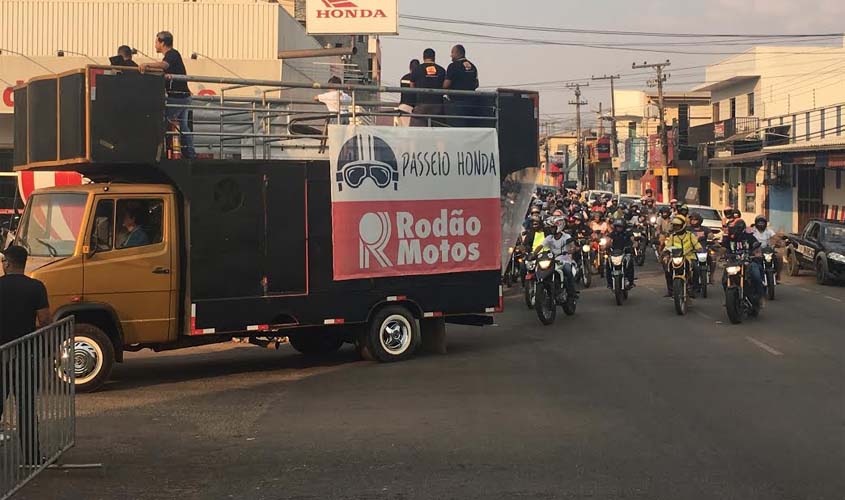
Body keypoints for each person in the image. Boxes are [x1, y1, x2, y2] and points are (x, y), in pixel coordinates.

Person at [0, 245, 49, 465]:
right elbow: (45, 319)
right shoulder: (36, 287)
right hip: (26, 354)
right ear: (24, 263)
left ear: (7, 263)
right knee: (26, 408)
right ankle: (31, 457)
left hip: (1, 355)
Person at [139, 31, 196, 158]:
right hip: (182, 96)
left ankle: (156, 152)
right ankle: (190, 154)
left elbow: (164, 65)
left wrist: (147, 65)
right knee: (184, 126)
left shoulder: (172, 54)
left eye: (156, 42)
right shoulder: (173, 55)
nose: (155, 45)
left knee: (161, 121)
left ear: (162, 42)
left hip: (178, 97)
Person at [535, 220, 578, 301]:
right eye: (551, 228)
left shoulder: (566, 237)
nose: (551, 229)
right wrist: (533, 254)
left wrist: (571, 249)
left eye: (553, 227)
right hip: (553, 259)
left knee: (567, 270)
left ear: (559, 227)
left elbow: (572, 246)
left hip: (565, 260)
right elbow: (540, 246)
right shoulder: (549, 238)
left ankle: (572, 292)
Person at [663, 215, 702, 297]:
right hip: (675, 258)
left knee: (696, 269)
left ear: (683, 225)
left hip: (690, 257)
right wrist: (665, 253)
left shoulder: (690, 235)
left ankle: (693, 288)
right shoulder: (672, 237)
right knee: (667, 270)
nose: (676, 227)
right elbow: (667, 247)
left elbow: (697, 246)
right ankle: (670, 290)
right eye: (675, 225)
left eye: (678, 225)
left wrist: (698, 249)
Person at [443, 44, 479, 127]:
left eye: (452, 52)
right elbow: (476, 84)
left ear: (457, 53)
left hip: (457, 104)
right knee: (469, 127)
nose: (451, 55)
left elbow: (446, 85)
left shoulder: (453, 66)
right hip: (471, 103)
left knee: (457, 128)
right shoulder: (473, 66)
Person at [410, 48, 446, 127]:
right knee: (437, 131)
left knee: (417, 131)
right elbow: (445, 86)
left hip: (421, 104)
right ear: (434, 57)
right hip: (437, 105)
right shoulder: (442, 70)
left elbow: (411, 86)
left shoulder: (417, 69)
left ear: (423, 57)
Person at [606, 219, 635, 289]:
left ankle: (630, 281)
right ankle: (609, 283)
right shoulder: (613, 233)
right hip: (615, 253)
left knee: (630, 262)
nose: (619, 228)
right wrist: (605, 245)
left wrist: (634, 243)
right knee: (608, 263)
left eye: (620, 226)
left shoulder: (627, 233)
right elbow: (608, 239)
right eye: (617, 226)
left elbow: (633, 239)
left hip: (625, 253)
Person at [397, 59, 420, 126]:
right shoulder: (419, 78)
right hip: (414, 108)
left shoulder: (403, 78)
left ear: (410, 67)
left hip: (403, 106)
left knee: (404, 129)